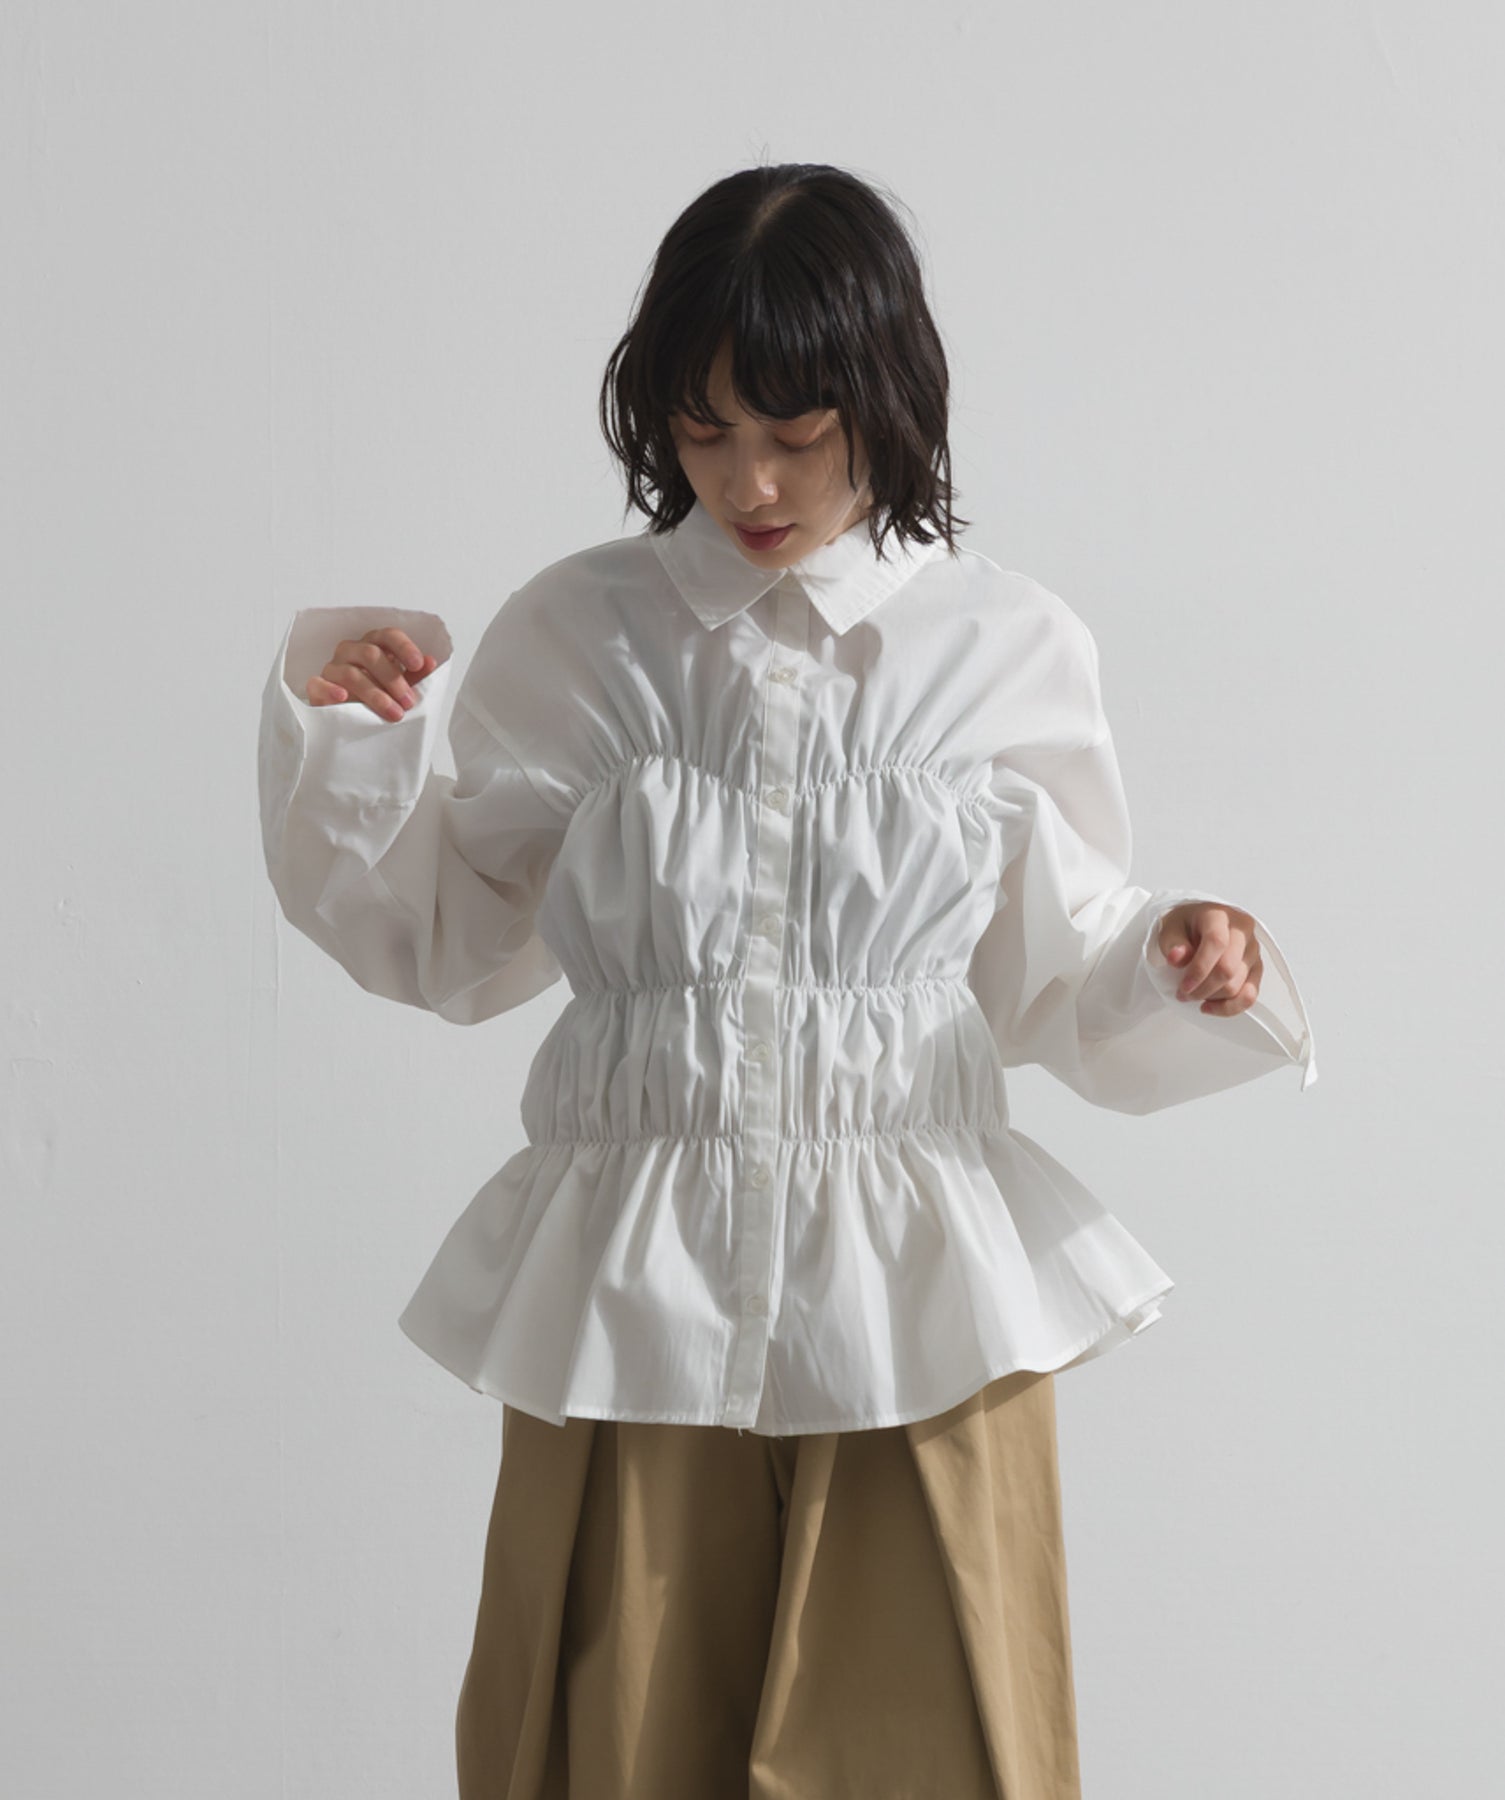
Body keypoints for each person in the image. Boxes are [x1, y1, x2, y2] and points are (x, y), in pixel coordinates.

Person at [257, 161, 1317, 1800]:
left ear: (884, 400)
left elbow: (1055, 970)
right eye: (701, 431)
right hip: (634, 1293)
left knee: (941, 1757)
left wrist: (1181, 954)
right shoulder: (581, 637)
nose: (747, 480)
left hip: (917, 1306)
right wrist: (356, 749)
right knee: (598, 1758)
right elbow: (450, 941)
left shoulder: (1001, 645)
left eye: (798, 432)